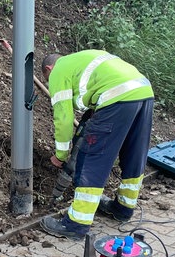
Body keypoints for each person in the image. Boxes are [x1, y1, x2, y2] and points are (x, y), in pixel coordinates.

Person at [40, 49, 155, 239]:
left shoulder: (58, 71)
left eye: (47, 79)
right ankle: (123, 209)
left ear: (49, 68)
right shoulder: (83, 59)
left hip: (117, 98)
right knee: (134, 155)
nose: (49, 84)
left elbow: (64, 118)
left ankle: (75, 225)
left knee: (92, 160)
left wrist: (60, 155)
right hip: (144, 93)